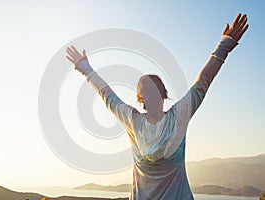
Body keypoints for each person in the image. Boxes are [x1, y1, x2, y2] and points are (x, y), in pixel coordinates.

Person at [66, 13, 249, 200]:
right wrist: (225, 44)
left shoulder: (133, 120)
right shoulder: (177, 116)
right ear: (164, 95)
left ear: (141, 99)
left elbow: (107, 95)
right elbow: (202, 83)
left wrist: (85, 68)